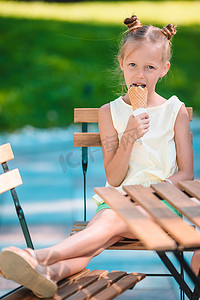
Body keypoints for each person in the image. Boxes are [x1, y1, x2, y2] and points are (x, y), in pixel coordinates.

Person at [0, 14, 195, 298]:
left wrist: (148, 194)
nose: (139, 75)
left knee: (108, 224)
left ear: (164, 69)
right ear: (121, 64)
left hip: (162, 206)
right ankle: (48, 273)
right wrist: (129, 135)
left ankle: (39, 256)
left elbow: (186, 173)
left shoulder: (175, 111)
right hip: (118, 201)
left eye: (149, 67)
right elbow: (114, 177)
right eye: (132, 65)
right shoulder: (109, 113)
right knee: (102, 230)